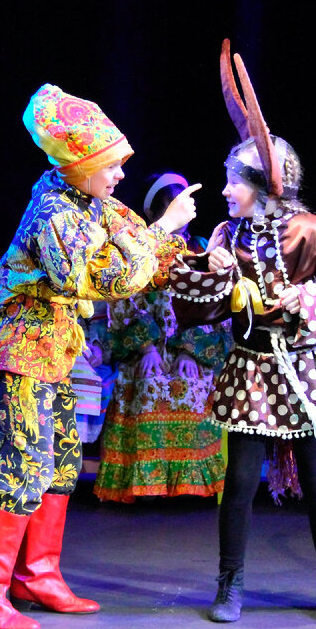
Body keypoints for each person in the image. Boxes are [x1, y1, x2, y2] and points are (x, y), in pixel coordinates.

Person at [0, 83, 198, 629]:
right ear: (80, 164)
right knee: (20, 466)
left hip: (56, 353)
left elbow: (146, 252)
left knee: (61, 462)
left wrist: (198, 256)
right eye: (110, 166)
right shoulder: (53, 211)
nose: (119, 176)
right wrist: (162, 230)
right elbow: (104, 277)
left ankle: (37, 575)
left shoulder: (95, 202)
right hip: (18, 350)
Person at [169, 43, 316, 625]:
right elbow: (201, 301)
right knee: (238, 482)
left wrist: (306, 297)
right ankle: (229, 585)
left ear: (265, 183)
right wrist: (216, 280)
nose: (225, 191)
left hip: (304, 369)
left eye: (234, 182)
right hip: (253, 368)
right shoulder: (228, 234)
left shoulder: (309, 231)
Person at [94, 173, 230, 503]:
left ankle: (188, 482)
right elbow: (124, 299)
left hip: (189, 348)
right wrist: (145, 347)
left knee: (193, 382)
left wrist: (189, 351)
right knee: (148, 379)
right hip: (145, 348)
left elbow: (214, 306)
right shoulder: (139, 245)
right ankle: (146, 482)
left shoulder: (202, 250)